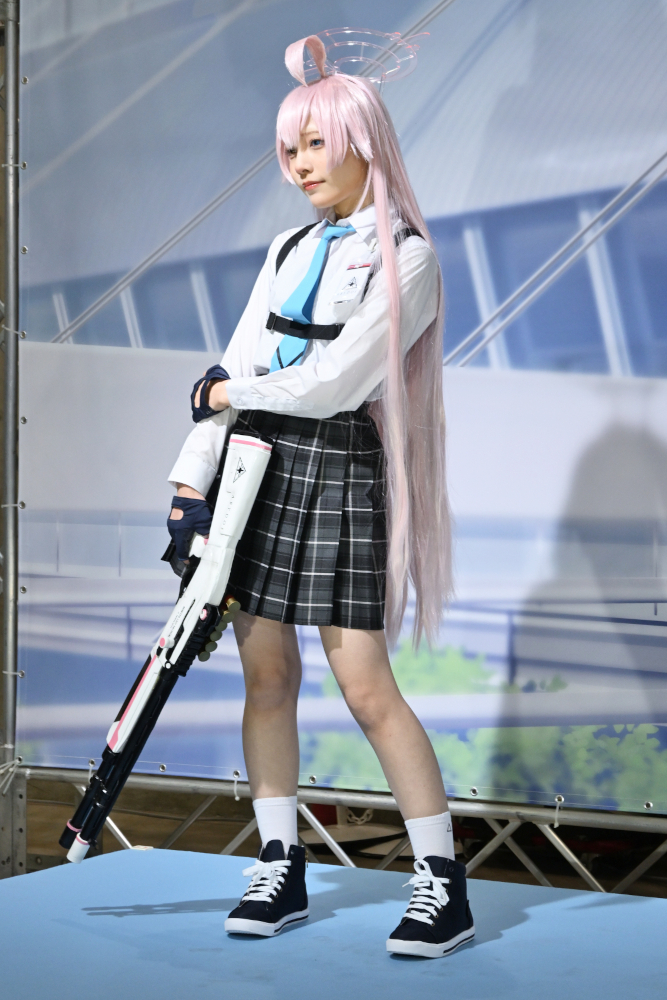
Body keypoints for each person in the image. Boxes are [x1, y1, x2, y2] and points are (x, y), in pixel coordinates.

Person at [166, 33, 474, 960]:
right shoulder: (288, 245)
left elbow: (334, 383)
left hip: (337, 464)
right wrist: (188, 480)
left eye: (314, 145)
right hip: (252, 463)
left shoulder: (408, 256)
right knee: (266, 676)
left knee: (365, 686)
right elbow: (231, 368)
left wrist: (229, 392)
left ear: (361, 143)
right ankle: (279, 864)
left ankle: (440, 882)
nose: (299, 165)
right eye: (289, 149)